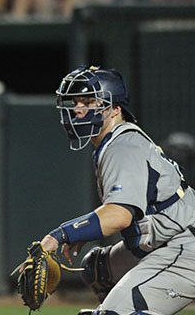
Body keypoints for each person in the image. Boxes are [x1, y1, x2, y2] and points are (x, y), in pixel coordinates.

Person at [35, 65, 195, 314]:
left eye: (88, 101)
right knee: (97, 268)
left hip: (183, 245)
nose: (78, 109)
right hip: (163, 242)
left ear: (115, 108)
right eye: (74, 102)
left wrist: (59, 236)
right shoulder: (117, 141)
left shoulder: (122, 146)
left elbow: (121, 214)